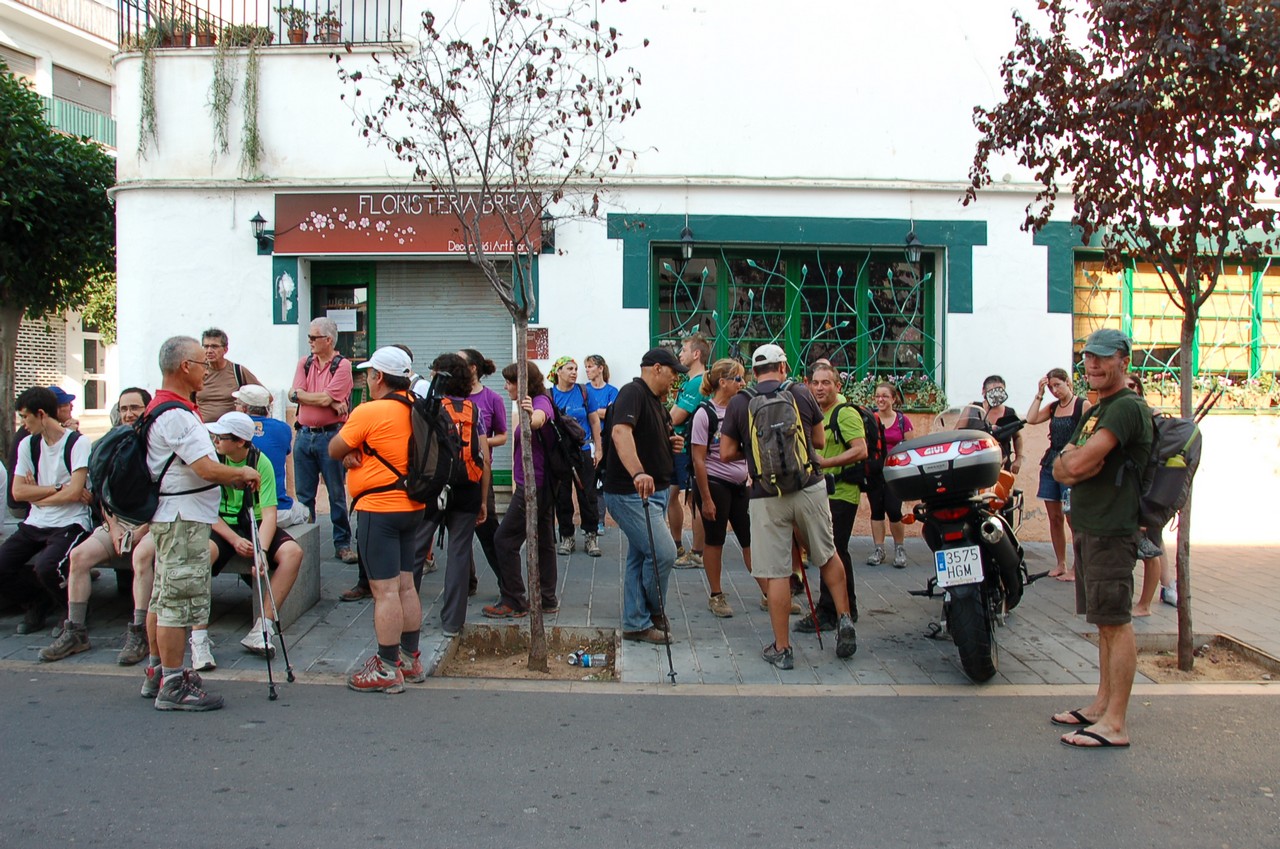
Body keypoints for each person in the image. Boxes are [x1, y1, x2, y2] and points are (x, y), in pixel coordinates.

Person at [720, 344, 857, 669]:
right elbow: (819, 442)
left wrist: (754, 454)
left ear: (754, 372)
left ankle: (782, 648)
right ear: (783, 367)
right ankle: (844, 619)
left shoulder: (740, 402)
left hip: (766, 495)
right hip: (809, 487)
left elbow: (725, 453)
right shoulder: (800, 393)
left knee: (777, 572)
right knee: (827, 555)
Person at [141, 335, 259, 711]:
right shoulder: (176, 414)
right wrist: (240, 472)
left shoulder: (167, 408)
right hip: (183, 519)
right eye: (201, 363)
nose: (207, 370)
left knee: (164, 596)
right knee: (176, 603)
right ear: (185, 367)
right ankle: (173, 683)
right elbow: (205, 468)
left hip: (176, 517)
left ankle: (159, 672)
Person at [1051, 328, 1152, 748]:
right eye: (1088, 356)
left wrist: (1075, 464)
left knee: (1116, 622)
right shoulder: (1097, 409)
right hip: (1090, 526)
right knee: (1103, 624)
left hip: (1113, 528)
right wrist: (1073, 464)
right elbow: (1061, 467)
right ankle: (1101, 705)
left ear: (1124, 362)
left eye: (1103, 357)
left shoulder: (1125, 407)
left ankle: (1115, 723)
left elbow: (1078, 464)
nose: (1092, 364)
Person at [329, 346, 427, 692]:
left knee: (384, 591)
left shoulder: (369, 411)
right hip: (413, 506)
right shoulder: (418, 405)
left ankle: (386, 668)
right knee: (406, 585)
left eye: (369, 375)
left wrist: (352, 451)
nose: (367, 381)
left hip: (379, 509)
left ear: (379, 377)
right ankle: (410, 659)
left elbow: (334, 448)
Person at [39, 387, 155, 664]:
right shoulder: (110, 444)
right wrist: (113, 526)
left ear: (148, 410)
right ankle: (76, 631)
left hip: (154, 524)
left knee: (141, 557)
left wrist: (142, 530)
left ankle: (139, 632)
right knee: (79, 557)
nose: (128, 414)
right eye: (124, 408)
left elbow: (171, 496)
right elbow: (103, 494)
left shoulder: (157, 445)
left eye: (135, 408)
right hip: (117, 522)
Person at [603, 347, 687, 644]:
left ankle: (635, 622)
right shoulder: (632, 393)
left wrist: (670, 442)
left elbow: (646, 436)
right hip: (631, 493)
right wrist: (638, 473)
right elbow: (620, 433)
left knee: (640, 556)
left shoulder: (655, 402)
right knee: (664, 553)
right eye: (673, 372)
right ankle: (653, 609)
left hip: (655, 493)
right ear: (657, 368)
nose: (675, 378)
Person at [205, 411, 304, 657]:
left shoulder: (261, 462)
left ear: (240, 441)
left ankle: (263, 626)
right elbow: (206, 511)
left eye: (221, 437)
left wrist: (262, 550)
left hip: (254, 520)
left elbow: (269, 514)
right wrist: (234, 539)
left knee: (293, 553)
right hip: (222, 523)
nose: (215, 440)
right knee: (203, 553)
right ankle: (198, 633)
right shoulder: (213, 462)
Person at [0, 387, 92, 636]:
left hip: (70, 521)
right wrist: (58, 488)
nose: (23, 423)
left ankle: (70, 608)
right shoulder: (28, 445)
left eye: (25, 417)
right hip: (35, 522)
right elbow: (19, 492)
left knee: (47, 566)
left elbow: (75, 494)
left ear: (41, 414)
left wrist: (39, 495)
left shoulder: (77, 443)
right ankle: (37, 600)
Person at [415, 354, 489, 637]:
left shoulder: (429, 408)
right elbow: (484, 458)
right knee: (459, 554)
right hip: (468, 487)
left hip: (434, 487)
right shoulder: (474, 410)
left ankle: (407, 617)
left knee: (416, 550)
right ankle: (452, 623)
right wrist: (483, 500)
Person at [484, 361, 558, 619]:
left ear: (523, 383)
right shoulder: (537, 400)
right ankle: (547, 598)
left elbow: (540, 419)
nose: (506, 387)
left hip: (534, 486)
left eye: (509, 382)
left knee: (504, 540)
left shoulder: (540, 402)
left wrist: (531, 415)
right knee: (544, 541)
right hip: (541, 484)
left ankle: (514, 600)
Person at [689, 358, 758, 618]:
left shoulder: (741, 409)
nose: (743, 383)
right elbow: (698, 459)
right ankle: (716, 595)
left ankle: (767, 591)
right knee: (715, 540)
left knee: (750, 538)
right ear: (723, 382)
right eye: (738, 378)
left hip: (740, 484)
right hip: (715, 483)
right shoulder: (704, 414)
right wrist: (706, 499)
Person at [802, 363, 867, 633]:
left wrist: (826, 462)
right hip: (824, 493)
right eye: (815, 383)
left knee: (831, 551)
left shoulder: (844, 413)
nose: (820, 388)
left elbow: (860, 450)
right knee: (835, 551)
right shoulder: (818, 414)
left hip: (841, 493)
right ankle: (846, 608)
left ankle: (829, 612)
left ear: (837, 386)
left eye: (826, 383)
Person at [290, 317, 358, 569]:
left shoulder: (343, 366)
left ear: (328, 340)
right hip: (304, 434)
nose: (309, 341)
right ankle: (304, 543)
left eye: (313, 337)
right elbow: (294, 393)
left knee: (336, 493)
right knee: (304, 495)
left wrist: (313, 397)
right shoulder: (304, 363)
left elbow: (323, 398)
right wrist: (324, 399)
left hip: (331, 435)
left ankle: (342, 544)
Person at [1025, 367, 1090, 581]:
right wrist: (1039, 393)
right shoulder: (1053, 408)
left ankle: (1077, 567)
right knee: (1055, 517)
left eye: (1058, 385)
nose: (1055, 390)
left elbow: (1088, 433)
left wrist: (1075, 452)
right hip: (1051, 463)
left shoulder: (1082, 405)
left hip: (1071, 464)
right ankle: (1060, 562)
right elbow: (1032, 418)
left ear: (1067, 382)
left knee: (1073, 518)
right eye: (1051, 387)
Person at [1124, 374, 1175, 616]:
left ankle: (1147, 602)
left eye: (1131, 385)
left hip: (1148, 490)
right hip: (1129, 488)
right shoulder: (1124, 413)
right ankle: (1166, 586)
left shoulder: (1152, 416)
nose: (1127, 390)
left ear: (1139, 388)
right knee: (1145, 545)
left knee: (1150, 547)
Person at [461, 347, 508, 596]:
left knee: (488, 529)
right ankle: (466, 583)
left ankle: (508, 584)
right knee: (459, 532)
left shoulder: (492, 399)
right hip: (455, 474)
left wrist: (479, 441)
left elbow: (502, 436)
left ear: (472, 368)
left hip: (480, 472)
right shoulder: (451, 397)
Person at [232, 384, 309, 529]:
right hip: (278, 510)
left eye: (237, 404)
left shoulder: (233, 431)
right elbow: (285, 451)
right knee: (305, 511)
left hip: (240, 511)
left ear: (244, 409)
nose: (235, 407)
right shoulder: (283, 428)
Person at [548, 355, 601, 556]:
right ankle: (567, 536)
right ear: (558, 372)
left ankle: (591, 536)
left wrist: (599, 448)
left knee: (588, 495)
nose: (574, 372)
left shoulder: (584, 392)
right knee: (562, 496)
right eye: (569, 368)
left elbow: (594, 421)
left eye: (575, 369)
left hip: (583, 450)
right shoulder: (549, 395)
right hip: (560, 453)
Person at [668, 334, 710, 568]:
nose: (679, 354)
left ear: (696, 354)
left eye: (683, 350)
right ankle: (677, 545)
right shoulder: (689, 381)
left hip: (687, 448)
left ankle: (697, 553)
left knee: (694, 500)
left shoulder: (698, 383)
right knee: (672, 495)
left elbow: (675, 417)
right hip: (679, 447)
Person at [865, 382, 914, 568]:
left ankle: (899, 548)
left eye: (885, 396)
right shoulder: (870, 419)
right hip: (875, 471)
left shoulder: (903, 421)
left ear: (893, 399)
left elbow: (910, 447)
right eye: (878, 396)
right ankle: (879, 549)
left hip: (895, 472)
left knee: (894, 510)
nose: (880, 399)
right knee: (876, 509)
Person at [196, 328, 262, 422]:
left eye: (214, 346)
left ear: (225, 349)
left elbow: (266, 397)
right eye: (206, 346)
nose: (209, 351)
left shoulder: (237, 371)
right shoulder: (198, 371)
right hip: (203, 428)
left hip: (231, 428)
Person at [584, 354, 619, 532]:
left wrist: (592, 411)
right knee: (588, 482)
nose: (587, 370)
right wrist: (600, 412)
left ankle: (600, 521)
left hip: (606, 442)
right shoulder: (584, 390)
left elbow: (612, 413)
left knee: (601, 482)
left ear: (600, 368)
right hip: (587, 441)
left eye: (590, 366)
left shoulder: (612, 391)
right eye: (586, 367)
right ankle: (589, 520)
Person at [961, 375, 1024, 473]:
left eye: (1000, 392)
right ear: (984, 391)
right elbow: (957, 432)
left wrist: (1019, 458)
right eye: (992, 391)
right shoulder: (972, 408)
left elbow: (1017, 437)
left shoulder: (1010, 413)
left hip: (1002, 466)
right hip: (973, 465)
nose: (996, 396)